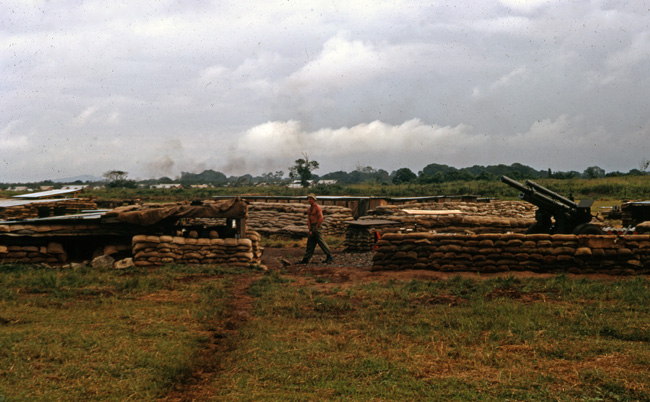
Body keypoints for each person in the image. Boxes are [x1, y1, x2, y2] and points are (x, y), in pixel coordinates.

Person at [298, 194, 334, 264]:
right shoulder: (309, 209)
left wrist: (316, 228)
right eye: (308, 199)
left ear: (314, 200)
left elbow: (321, 218)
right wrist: (310, 229)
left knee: (321, 241)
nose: (309, 200)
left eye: (310, 199)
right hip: (312, 226)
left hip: (317, 226)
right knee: (310, 243)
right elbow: (308, 219)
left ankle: (329, 256)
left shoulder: (317, 208)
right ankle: (306, 259)